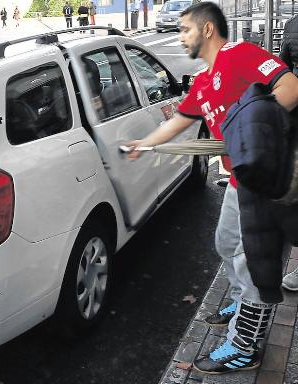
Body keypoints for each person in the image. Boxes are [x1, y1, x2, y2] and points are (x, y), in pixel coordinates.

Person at [124, 2, 298, 375]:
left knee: (254, 264)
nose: (180, 36)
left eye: (185, 29)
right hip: (239, 181)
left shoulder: (240, 55)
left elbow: (291, 87)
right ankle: (241, 300)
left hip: (268, 179)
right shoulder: (203, 83)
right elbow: (180, 122)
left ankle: (245, 344)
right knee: (226, 244)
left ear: (206, 30)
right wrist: (144, 143)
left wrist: (255, 133)